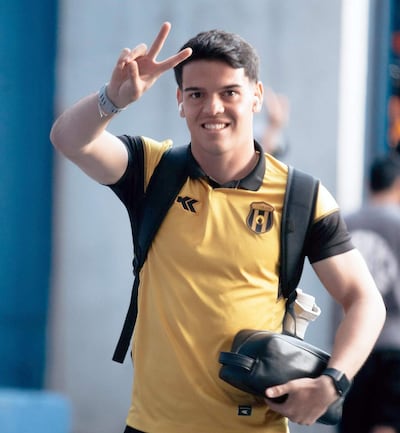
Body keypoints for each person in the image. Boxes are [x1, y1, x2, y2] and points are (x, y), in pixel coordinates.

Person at [50, 22, 385, 433]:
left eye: (229, 93)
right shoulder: (151, 170)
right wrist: (112, 99)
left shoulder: (301, 196)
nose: (213, 108)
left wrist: (333, 383)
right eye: (197, 94)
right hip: (153, 426)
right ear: (180, 101)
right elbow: (69, 139)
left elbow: (365, 300)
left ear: (256, 96)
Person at [337, 154, 400, 433]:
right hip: (393, 341)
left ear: (368, 184)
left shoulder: (345, 223)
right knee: (386, 421)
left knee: (353, 420)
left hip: (352, 340)